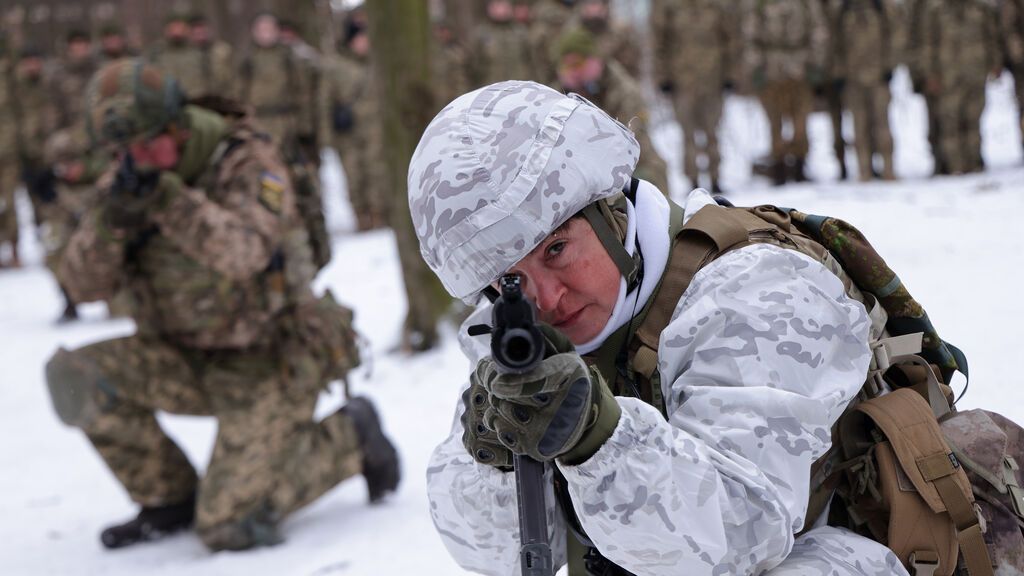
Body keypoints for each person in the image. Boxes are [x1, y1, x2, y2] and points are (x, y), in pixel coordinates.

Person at [410, 80, 906, 574]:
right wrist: (494, 462)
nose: (548, 299)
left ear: (610, 214)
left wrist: (596, 436)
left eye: (556, 250)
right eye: (512, 279)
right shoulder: (514, 335)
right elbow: (492, 555)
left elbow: (741, 532)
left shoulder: (755, 288)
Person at [44, 59, 399, 552]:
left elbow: (245, 252)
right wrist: (111, 226)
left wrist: (169, 202)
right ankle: (168, 497)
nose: (137, 159)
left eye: (147, 144)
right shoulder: (134, 173)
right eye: (123, 151)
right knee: (72, 376)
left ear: (180, 126)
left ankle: (351, 436)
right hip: (184, 355)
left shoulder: (247, 158)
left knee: (230, 525)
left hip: (272, 358)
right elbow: (80, 286)